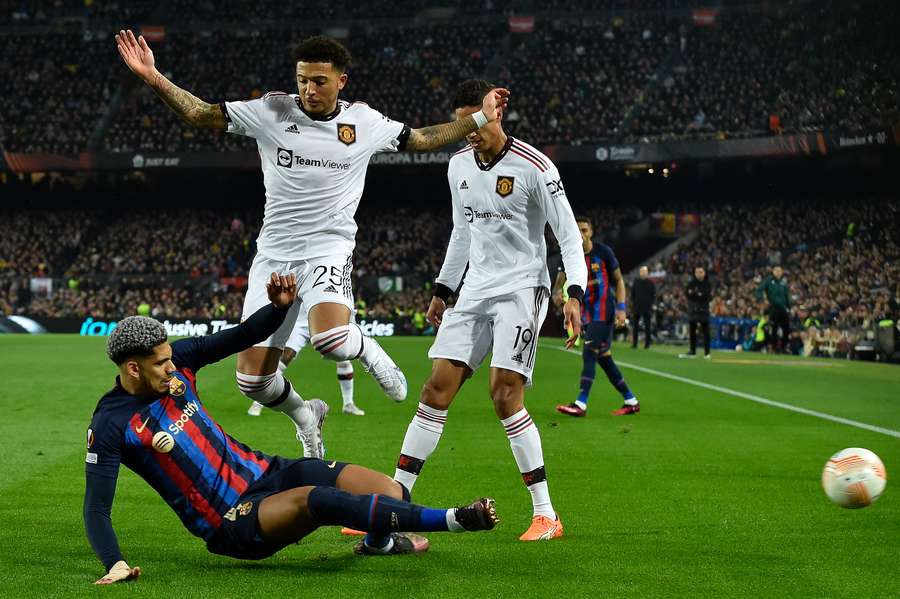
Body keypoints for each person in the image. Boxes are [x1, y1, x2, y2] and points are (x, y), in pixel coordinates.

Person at [115, 31, 508, 457]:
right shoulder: (272, 110)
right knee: (252, 383)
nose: (309, 89)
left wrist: (479, 119)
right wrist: (153, 77)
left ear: (342, 81)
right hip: (274, 256)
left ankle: (370, 351)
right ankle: (306, 416)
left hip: (328, 248)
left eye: (319, 80)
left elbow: (421, 139)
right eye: (303, 79)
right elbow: (200, 113)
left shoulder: (363, 122)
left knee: (332, 339)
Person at [84, 272, 499, 585]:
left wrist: (280, 309)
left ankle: (379, 543)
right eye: (160, 363)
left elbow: (245, 334)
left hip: (267, 471)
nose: (171, 366)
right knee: (318, 501)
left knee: (390, 491)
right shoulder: (112, 423)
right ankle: (455, 519)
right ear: (133, 368)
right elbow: (97, 507)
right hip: (231, 520)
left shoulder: (182, 360)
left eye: (170, 357)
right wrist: (113, 562)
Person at [391, 79, 587, 542]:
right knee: (435, 389)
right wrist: (442, 288)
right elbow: (462, 232)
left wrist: (573, 291)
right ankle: (395, 502)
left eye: (476, 120)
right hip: (474, 290)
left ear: (496, 112)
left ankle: (546, 514)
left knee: (504, 394)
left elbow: (569, 236)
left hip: (522, 289)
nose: (470, 130)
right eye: (462, 124)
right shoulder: (458, 165)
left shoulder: (534, 167)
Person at [556, 219, 639, 418]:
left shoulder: (603, 252)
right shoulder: (570, 255)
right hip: (586, 314)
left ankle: (581, 403)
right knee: (603, 357)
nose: (581, 234)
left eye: (584, 230)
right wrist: (558, 293)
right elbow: (559, 283)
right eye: (577, 231)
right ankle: (631, 400)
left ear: (591, 231)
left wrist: (621, 308)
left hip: (604, 311)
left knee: (589, 351)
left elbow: (619, 281)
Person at [247, 301, 364, 417]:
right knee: (285, 357)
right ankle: (258, 402)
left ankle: (348, 404)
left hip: (325, 322)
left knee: (343, 357)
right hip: (301, 323)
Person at [757, 265, 790, 353]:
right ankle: (774, 347)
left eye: (780, 271)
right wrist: (763, 299)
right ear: (773, 271)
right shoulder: (768, 280)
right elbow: (759, 290)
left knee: (786, 328)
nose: (778, 272)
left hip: (783, 308)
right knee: (774, 328)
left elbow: (787, 296)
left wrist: (789, 307)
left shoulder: (783, 282)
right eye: (777, 270)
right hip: (773, 307)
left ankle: (783, 346)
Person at [681, 266, 711, 358]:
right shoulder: (691, 283)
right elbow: (687, 294)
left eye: (701, 272)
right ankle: (692, 351)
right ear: (695, 273)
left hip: (703, 310)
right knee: (692, 331)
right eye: (697, 272)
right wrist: (698, 294)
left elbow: (706, 296)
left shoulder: (707, 284)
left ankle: (707, 352)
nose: (699, 274)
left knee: (705, 332)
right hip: (693, 309)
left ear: (704, 273)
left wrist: (695, 294)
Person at [630, 265, 655, 349]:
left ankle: (647, 344)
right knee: (635, 327)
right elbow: (632, 294)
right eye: (642, 271)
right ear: (640, 272)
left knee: (647, 327)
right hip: (637, 307)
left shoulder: (651, 283)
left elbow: (653, 296)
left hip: (647, 308)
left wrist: (650, 305)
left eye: (645, 271)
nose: (643, 273)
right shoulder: (636, 282)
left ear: (647, 273)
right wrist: (633, 304)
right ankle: (635, 343)